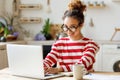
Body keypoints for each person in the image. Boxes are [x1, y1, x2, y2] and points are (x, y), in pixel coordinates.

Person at [43, 0, 100, 74]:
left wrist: (59, 69)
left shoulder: (90, 44)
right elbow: (48, 60)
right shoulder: (59, 44)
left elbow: (81, 65)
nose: (68, 31)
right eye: (65, 27)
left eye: (72, 27)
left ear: (81, 25)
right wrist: (42, 67)